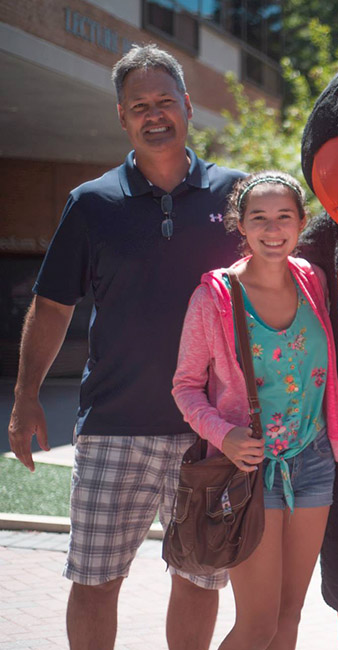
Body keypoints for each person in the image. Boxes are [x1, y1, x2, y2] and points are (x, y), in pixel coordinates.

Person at [5, 45, 244, 649]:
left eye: (165, 100)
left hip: (208, 434)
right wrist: (26, 397)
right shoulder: (91, 203)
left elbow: (271, 299)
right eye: (140, 105)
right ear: (122, 117)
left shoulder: (235, 198)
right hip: (114, 428)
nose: (154, 114)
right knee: (95, 579)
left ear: (188, 106)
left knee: (198, 579)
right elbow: (53, 304)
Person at [172, 170, 338, 649]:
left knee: (289, 618)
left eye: (284, 217)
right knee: (257, 625)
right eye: (260, 219)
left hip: (313, 462)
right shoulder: (215, 295)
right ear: (241, 225)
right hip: (248, 470)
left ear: (300, 222)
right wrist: (223, 435)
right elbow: (186, 386)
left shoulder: (312, 281)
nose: (273, 230)